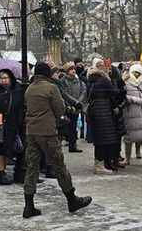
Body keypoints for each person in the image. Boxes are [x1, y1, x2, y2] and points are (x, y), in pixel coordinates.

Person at [21, 62, 92, 218]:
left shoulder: (29, 89)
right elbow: (59, 109)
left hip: (31, 132)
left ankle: (29, 205)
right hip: (47, 132)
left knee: (32, 167)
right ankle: (72, 199)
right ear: (47, 74)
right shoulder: (51, 88)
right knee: (59, 165)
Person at [86, 59, 125, 174]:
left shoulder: (92, 79)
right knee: (105, 139)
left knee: (99, 138)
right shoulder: (104, 80)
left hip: (95, 110)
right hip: (103, 110)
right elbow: (115, 92)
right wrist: (119, 80)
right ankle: (100, 165)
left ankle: (99, 163)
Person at [122, 64, 142, 166]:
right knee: (128, 138)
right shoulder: (126, 83)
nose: (136, 74)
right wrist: (132, 99)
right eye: (134, 72)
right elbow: (122, 96)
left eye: (138, 73)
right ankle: (127, 158)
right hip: (130, 113)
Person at [58, 64, 85, 153]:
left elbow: (83, 90)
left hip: (77, 107)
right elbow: (64, 94)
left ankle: (73, 145)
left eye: (74, 69)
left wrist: (79, 102)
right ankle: (67, 143)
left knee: (73, 127)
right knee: (67, 127)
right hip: (68, 107)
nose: (73, 71)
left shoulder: (79, 81)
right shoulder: (63, 81)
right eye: (71, 69)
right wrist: (75, 102)